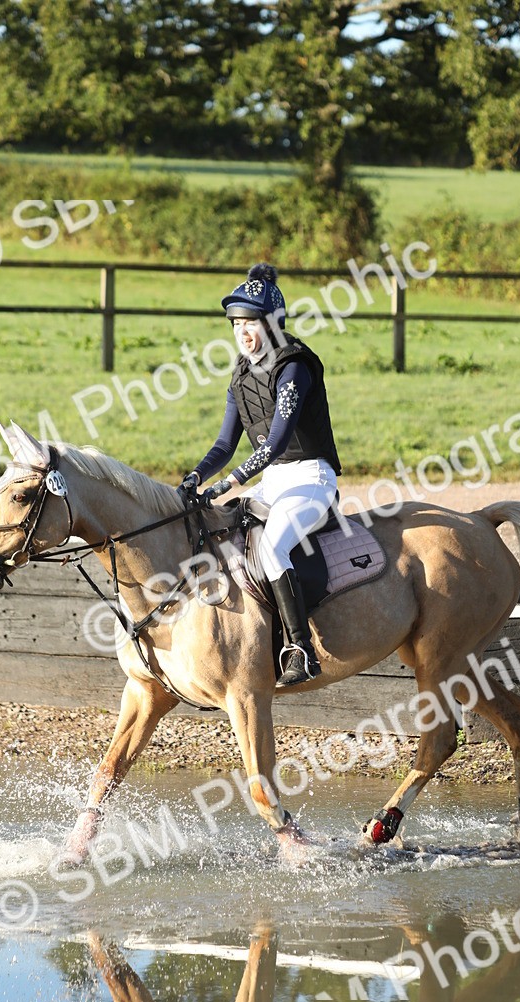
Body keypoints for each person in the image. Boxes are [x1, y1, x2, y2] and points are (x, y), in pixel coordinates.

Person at [178, 262, 343, 688]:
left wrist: (227, 484)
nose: (242, 332)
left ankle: (300, 649)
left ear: (272, 324)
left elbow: (272, 444)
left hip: (310, 478)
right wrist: (196, 476)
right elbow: (224, 445)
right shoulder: (241, 374)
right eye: (236, 324)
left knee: (272, 550)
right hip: (273, 481)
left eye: (250, 323)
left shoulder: (294, 367)